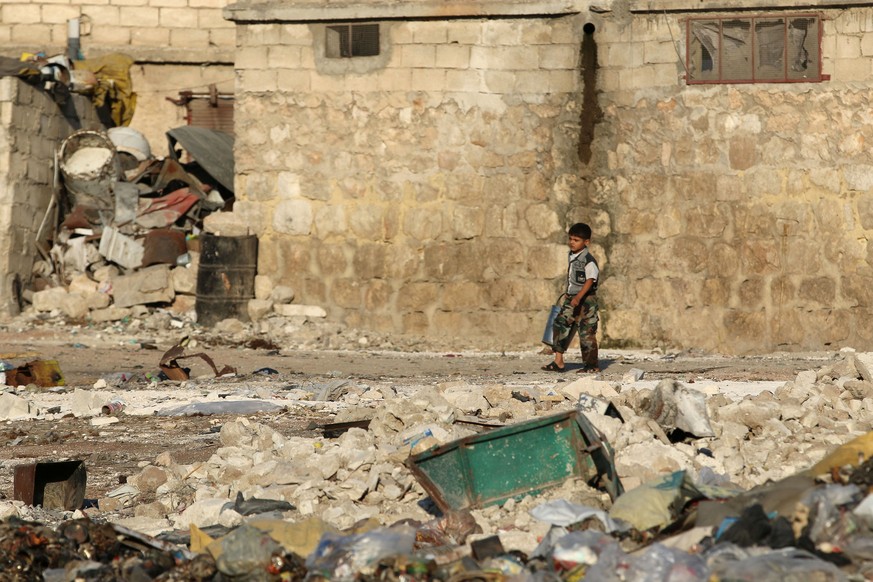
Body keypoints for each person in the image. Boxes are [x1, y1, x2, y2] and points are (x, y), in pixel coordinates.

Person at [542, 222, 600, 373]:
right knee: (560, 323)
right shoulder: (572, 256)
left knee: (587, 332)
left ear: (586, 242)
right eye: (570, 239)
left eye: (576, 240)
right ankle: (558, 361)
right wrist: (570, 292)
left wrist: (578, 297)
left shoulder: (588, 260)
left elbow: (590, 280)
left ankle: (591, 366)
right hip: (572, 297)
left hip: (586, 300)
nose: (572, 243)